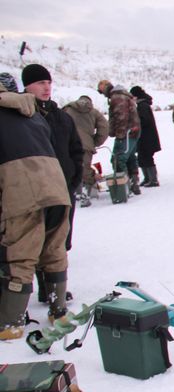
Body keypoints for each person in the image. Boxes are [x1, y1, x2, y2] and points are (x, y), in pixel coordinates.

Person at [0, 87, 71, 339]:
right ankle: (59, 310)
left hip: (22, 188)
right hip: (55, 186)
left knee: (19, 253)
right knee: (53, 248)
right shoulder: (30, 111)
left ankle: (10, 324)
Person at [22, 63, 83, 277]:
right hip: (33, 192)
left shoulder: (62, 117)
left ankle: (53, 289)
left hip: (63, 189)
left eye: (49, 82)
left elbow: (76, 149)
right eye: (40, 83)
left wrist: (74, 178)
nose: (46, 87)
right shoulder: (20, 117)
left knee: (59, 241)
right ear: (27, 86)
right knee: (33, 243)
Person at [97, 78, 142, 196]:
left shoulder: (117, 97)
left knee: (117, 159)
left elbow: (121, 117)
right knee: (130, 157)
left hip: (126, 133)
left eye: (101, 91)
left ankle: (124, 186)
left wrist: (120, 134)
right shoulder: (122, 95)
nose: (102, 94)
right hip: (132, 131)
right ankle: (134, 183)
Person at [63, 94, 109, 207]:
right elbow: (104, 128)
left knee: (70, 169)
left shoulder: (66, 109)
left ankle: (74, 193)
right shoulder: (94, 112)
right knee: (84, 169)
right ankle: (85, 195)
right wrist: (95, 142)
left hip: (67, 144)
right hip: (85, 145)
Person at [129, 86, 161, 187]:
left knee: (147, 157)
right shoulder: (142, 104)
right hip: (145, 136)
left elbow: (144, 120)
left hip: (147, 136)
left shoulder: (142, 105)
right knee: (142, 157)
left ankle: (153, 179)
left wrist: (135, 124)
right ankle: (147, 178)